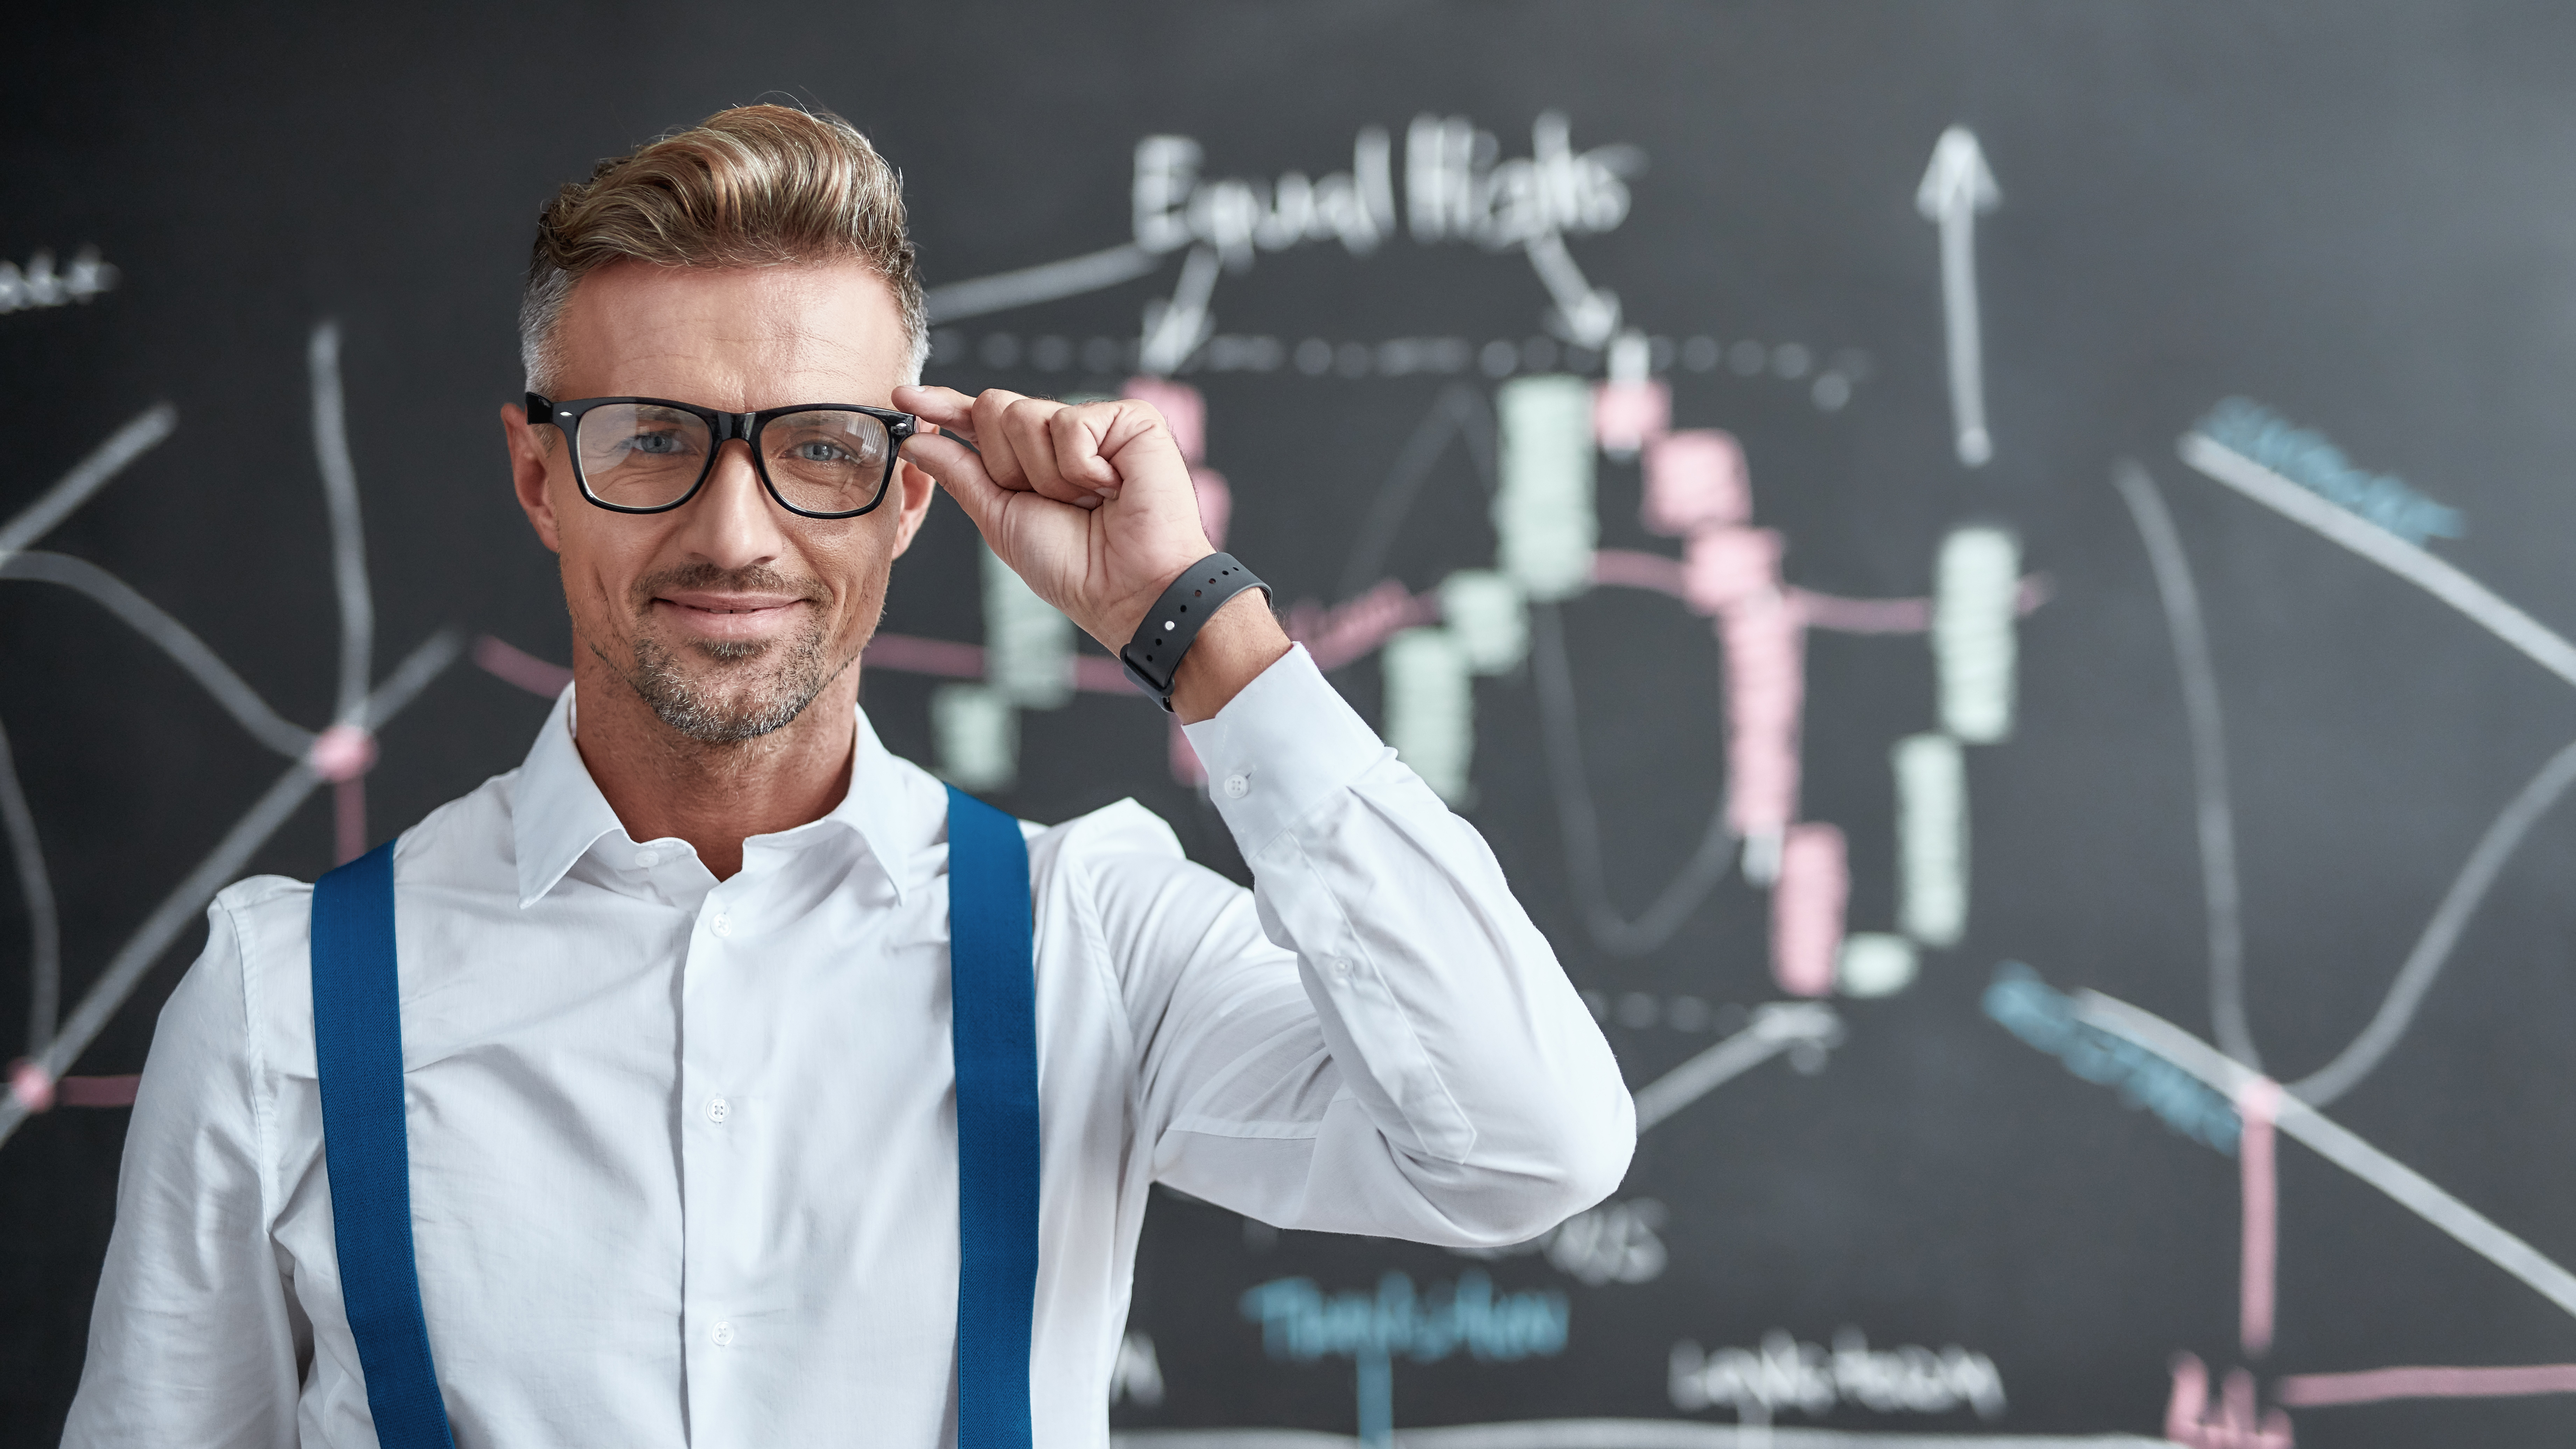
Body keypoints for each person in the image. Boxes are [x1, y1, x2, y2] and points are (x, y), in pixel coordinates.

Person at [62, 104, 1632, 1447]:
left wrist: (1198, 633)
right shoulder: (283, 997)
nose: (736, 534)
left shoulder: (1092, 934)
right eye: (649, 439)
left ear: (909, 496)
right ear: (541, 475)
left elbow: (1524, 1151)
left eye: (818, 447)